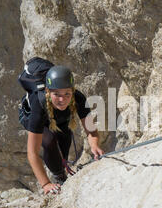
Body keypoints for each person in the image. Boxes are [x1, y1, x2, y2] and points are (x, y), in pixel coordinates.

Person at [25, 65, 104, 194]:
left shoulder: (78, 98)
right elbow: (32, 152)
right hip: (37, 118)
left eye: (67, 94)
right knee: (49, 140)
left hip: (61, 119)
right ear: (47, 91)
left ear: (72, 91)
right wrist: (45, 184)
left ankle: (61, 172)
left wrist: (94, 146)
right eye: (56, 94)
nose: (62, 99)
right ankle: (59, 176)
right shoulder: (39, 105)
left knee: (64, 138)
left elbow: (91, 130)